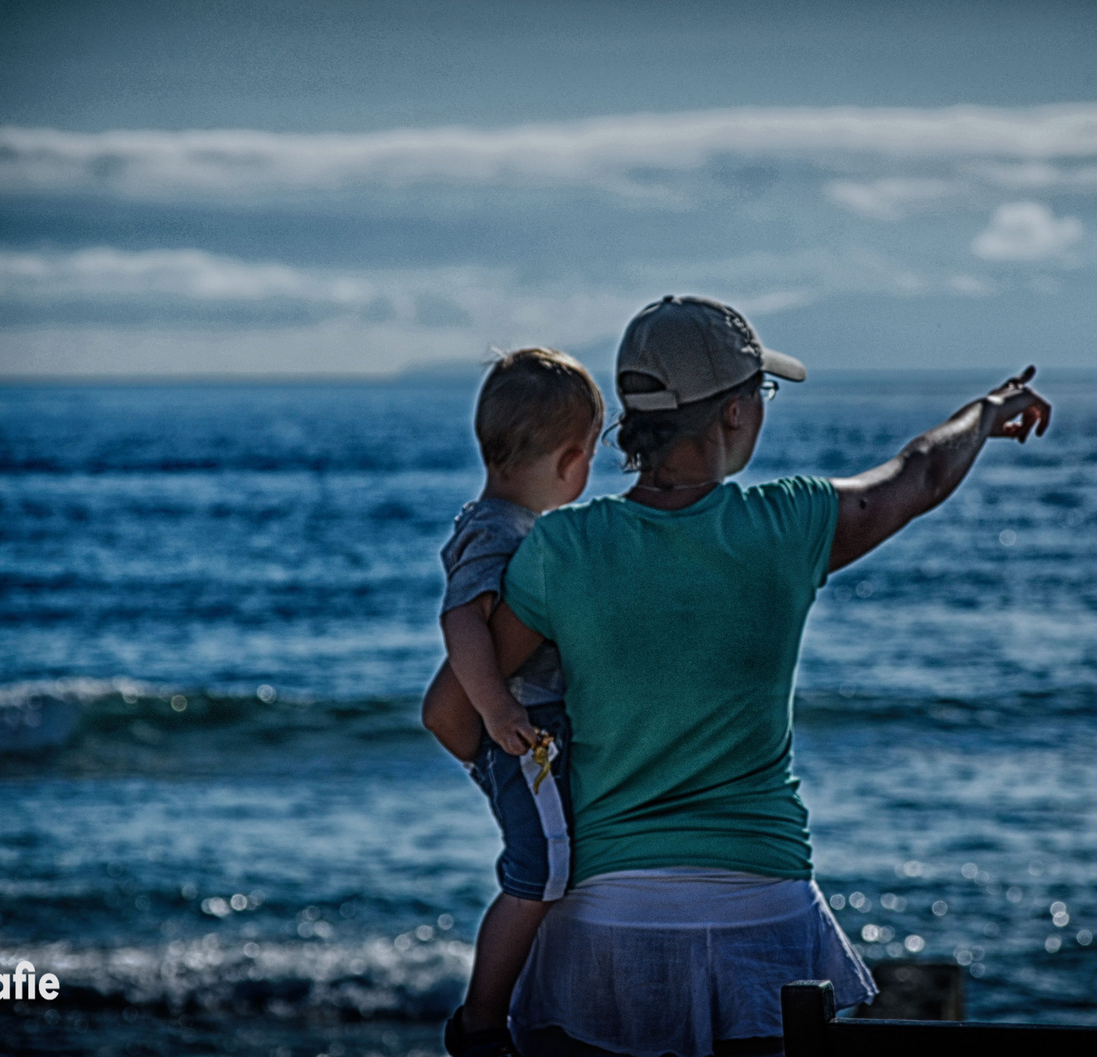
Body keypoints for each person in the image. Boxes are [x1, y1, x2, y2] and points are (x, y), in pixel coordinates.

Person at [479, 295, 1051, 1057]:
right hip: (765, 916)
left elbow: (454, 713)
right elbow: (918, 475)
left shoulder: (561, 549)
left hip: (606, 922)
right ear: (734, 416)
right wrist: (985, 411)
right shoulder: (789, 525)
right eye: (760, 392)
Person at [419, 347, 605, 1057]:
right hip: (525, 734)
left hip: (526, 733)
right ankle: (481, 1021)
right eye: (589, 454)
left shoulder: (508, 523)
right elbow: (461, 618)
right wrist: (496, 712)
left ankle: (519, 1002)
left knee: (552, 868)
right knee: (540, 873)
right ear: (569, 460)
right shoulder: (499, 531)